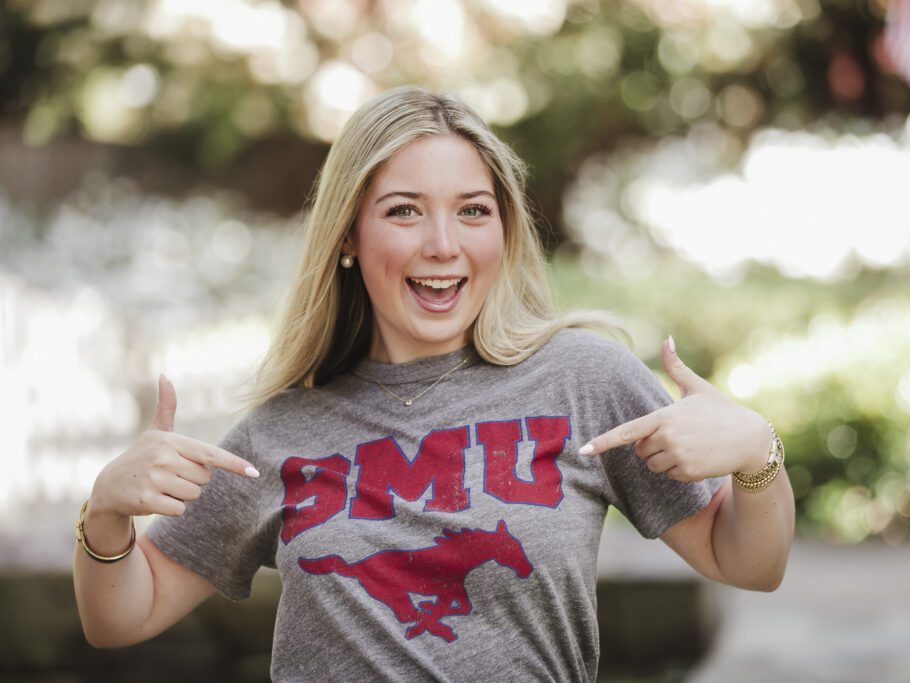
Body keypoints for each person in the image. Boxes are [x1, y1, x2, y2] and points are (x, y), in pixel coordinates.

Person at [73, 85, 795, 681]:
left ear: (504, 231)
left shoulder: (583, 382)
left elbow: (750, 562)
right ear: (349, 236)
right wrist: (105, 514)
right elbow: (123, 616)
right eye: (404, 210)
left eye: (473, 210)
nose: (443, 244)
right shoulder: (281, 430)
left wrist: (758, 454)